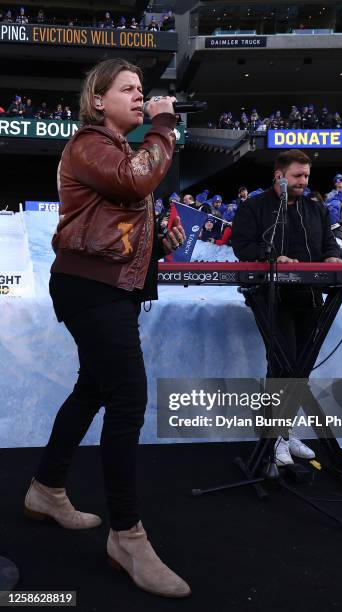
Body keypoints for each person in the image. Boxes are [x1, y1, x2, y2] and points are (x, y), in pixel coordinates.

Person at [23, 58, 191, 599]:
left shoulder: (122, 150)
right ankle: (128, 536)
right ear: (98, 100)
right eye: (129, 89)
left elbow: (120, 221)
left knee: (93, 388)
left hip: (104, 285)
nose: (142, 96)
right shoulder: (89, 143)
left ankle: (46, 489)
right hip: (89, 287)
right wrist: (164, 127)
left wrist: (158, 240)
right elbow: (133, 180)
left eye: (144, 90)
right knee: (127, 397)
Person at [232, 149, 342, 466]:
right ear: (278, 175)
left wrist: (333, 258)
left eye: (306, 176)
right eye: (297, 176)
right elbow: (243, 246)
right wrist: (272, 260)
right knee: (282, 366)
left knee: (301, 367)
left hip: (310, 298)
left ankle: (286, 430)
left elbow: (328, 246)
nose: (303, 182)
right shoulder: (254, 207)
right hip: (272, 297)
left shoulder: (315, 208)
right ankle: (274, 436)